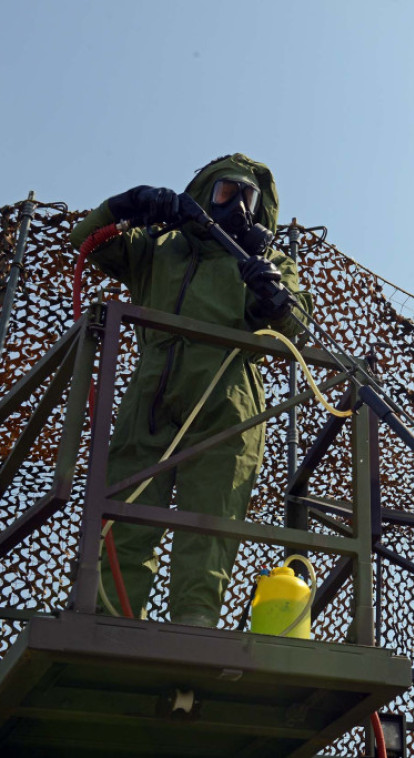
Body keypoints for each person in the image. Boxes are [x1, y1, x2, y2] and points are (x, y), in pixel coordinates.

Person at [69, 153, 313, 627]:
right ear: (204, 194)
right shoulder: (160, 246)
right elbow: (85, 241)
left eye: (248, 198)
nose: (237, 207)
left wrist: (272, 298)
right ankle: (110, 618)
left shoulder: (268, 260)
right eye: (226, 193)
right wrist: (128, 204)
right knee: (126, 512)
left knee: (211, 520)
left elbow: (296, 323)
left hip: (228, 399)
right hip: (152, 394)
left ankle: (194, 622)